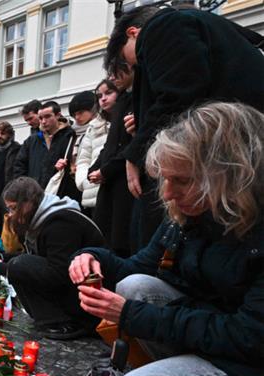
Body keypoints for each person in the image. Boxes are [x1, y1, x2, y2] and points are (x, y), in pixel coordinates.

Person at [70, 102, 264, 376]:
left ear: (230, 176)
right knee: (134, 285)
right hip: (213, 336)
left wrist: (130, 315)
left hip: (250, 358)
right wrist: (91, 256)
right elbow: (137, 268)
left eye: (182, 180)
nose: (168, 193)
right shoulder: (192, 214)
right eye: (166, 179)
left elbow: (248, 336)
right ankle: (183, 374)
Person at [105, 5, 264, 248]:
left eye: (126, 59)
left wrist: (134, 153)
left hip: (218, 161)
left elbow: (177, 97)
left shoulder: (163, 26)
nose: (134, 67)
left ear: (133, 33)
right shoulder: (203, 24)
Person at [0, 177, 103, 339]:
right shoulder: (43, 220)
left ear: (28, 203)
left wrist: (6, 267)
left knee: (18, 265)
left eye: (14, 208)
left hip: (86, 299)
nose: (10, 215)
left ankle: (62, 322)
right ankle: (50, 319)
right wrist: (3, 258)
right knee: (17, 264)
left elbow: (59, 273)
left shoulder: (60, 223)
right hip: (75, 289)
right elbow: (40, 259)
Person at [91, 73, 135, 257]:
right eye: (99, 96)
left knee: (120, 240)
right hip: (109, 184)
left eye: (108, 93)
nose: (103, 99)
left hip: (124, 184)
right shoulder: (112, 120)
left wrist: (104, 171)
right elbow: (108, 148)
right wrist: (94, 169)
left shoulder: (128, 112)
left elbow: (127, 148)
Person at [14, 101, 78, 200]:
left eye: (47, 117)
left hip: (65, 194)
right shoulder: (31, 141)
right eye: (40, 118)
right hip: (37, 195)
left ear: (58, 115)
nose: (43, 121)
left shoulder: (71, 135)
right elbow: (19, 167)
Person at [72, 89, 108, 217]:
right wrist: (83, 181)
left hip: (107, 185)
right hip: (89, 189)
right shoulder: (86, 131)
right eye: (74, 114)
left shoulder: (105, 124)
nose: (77, 117)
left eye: (81, 112)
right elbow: (83, 160)